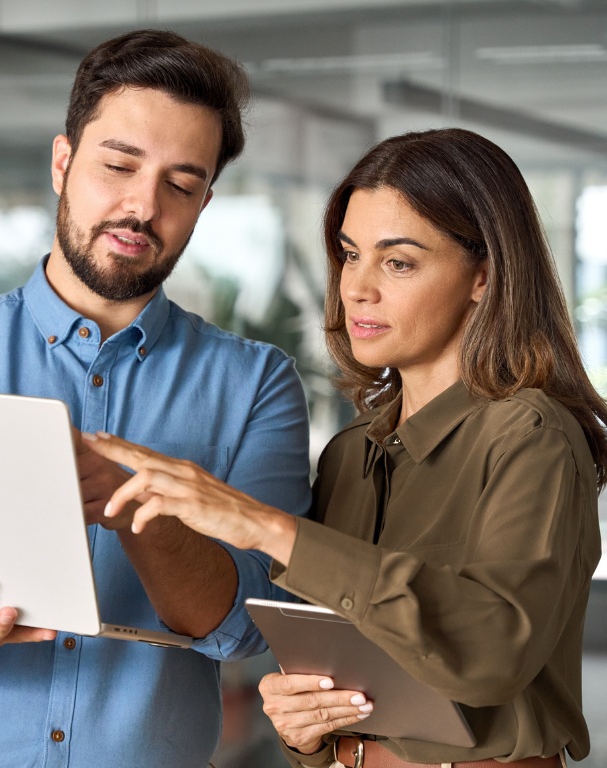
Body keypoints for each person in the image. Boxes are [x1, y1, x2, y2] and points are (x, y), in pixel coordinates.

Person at [0, 29, 313, 768]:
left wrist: (134, 501)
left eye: (180, 185)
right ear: (62, 163)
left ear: (205, 202)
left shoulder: (255, 385)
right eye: (118, 165)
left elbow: (248, 628)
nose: (142, 207)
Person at [85, 127, 604, 768]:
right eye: (350, 254)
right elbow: (339, 671)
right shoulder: (350, 454)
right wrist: (302, 725)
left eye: (398, 261)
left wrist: (264, 527)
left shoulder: (533, 437)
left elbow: (491, 654)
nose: (357, 287)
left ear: (483, 275)